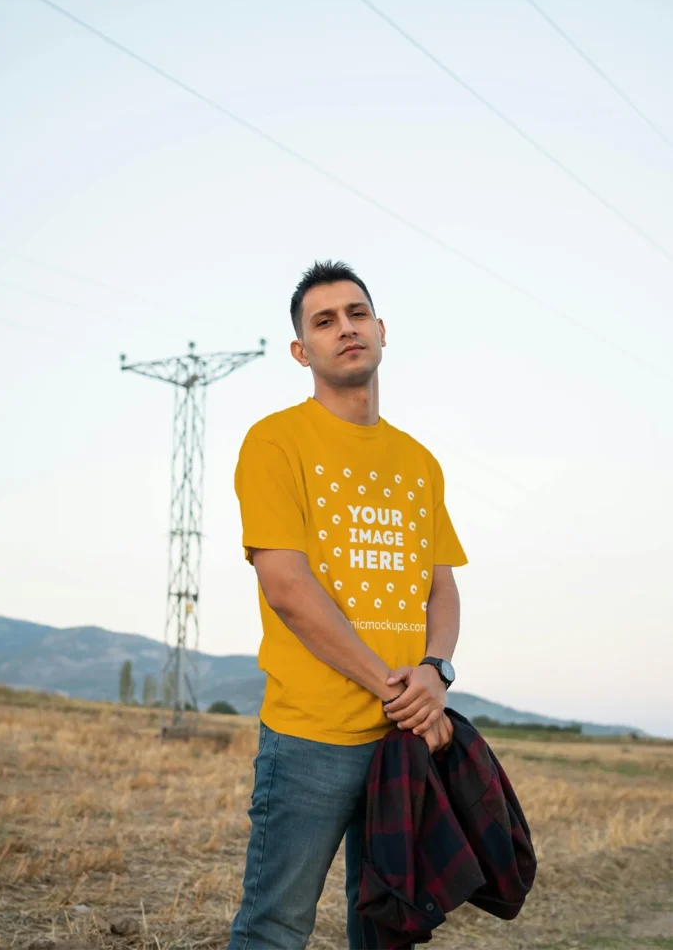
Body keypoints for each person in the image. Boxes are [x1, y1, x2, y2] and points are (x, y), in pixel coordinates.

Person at [227, 260, 468, 950]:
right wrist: (400, 691)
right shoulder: (275, 442)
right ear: (302, 351)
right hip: (311, 738)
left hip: (401, 741)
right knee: (274, 927)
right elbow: (288, 589)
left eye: (356, 313)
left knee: (388, 928)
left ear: (382, 330)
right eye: (324, 321)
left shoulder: (418, 461)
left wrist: (435, 671)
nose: (346, 328)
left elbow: (440, 585)